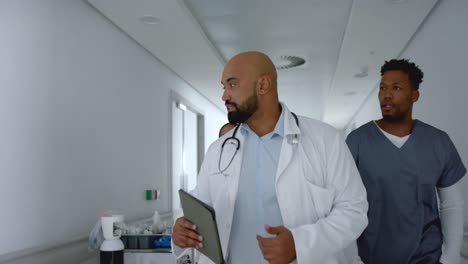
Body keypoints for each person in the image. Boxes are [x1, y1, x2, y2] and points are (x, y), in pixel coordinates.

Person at [172, 51, 368, 263]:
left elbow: (353, 210)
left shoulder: (325, 139)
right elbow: (200, 209)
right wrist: (181, 231)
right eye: (224, 87)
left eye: (233, 85)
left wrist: (300, 245)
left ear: (263, 85)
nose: (224, 96)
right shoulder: (218, 150)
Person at [346, 59, 466, 264]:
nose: (386, 94)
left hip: (428, 255)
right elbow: (345, 205)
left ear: (414, 95)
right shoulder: (357, 141)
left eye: (396, 88)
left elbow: (451, 204)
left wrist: (451, 257)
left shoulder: (438, 141)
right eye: (382, 87)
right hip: (374, 256)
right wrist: (352, 258)